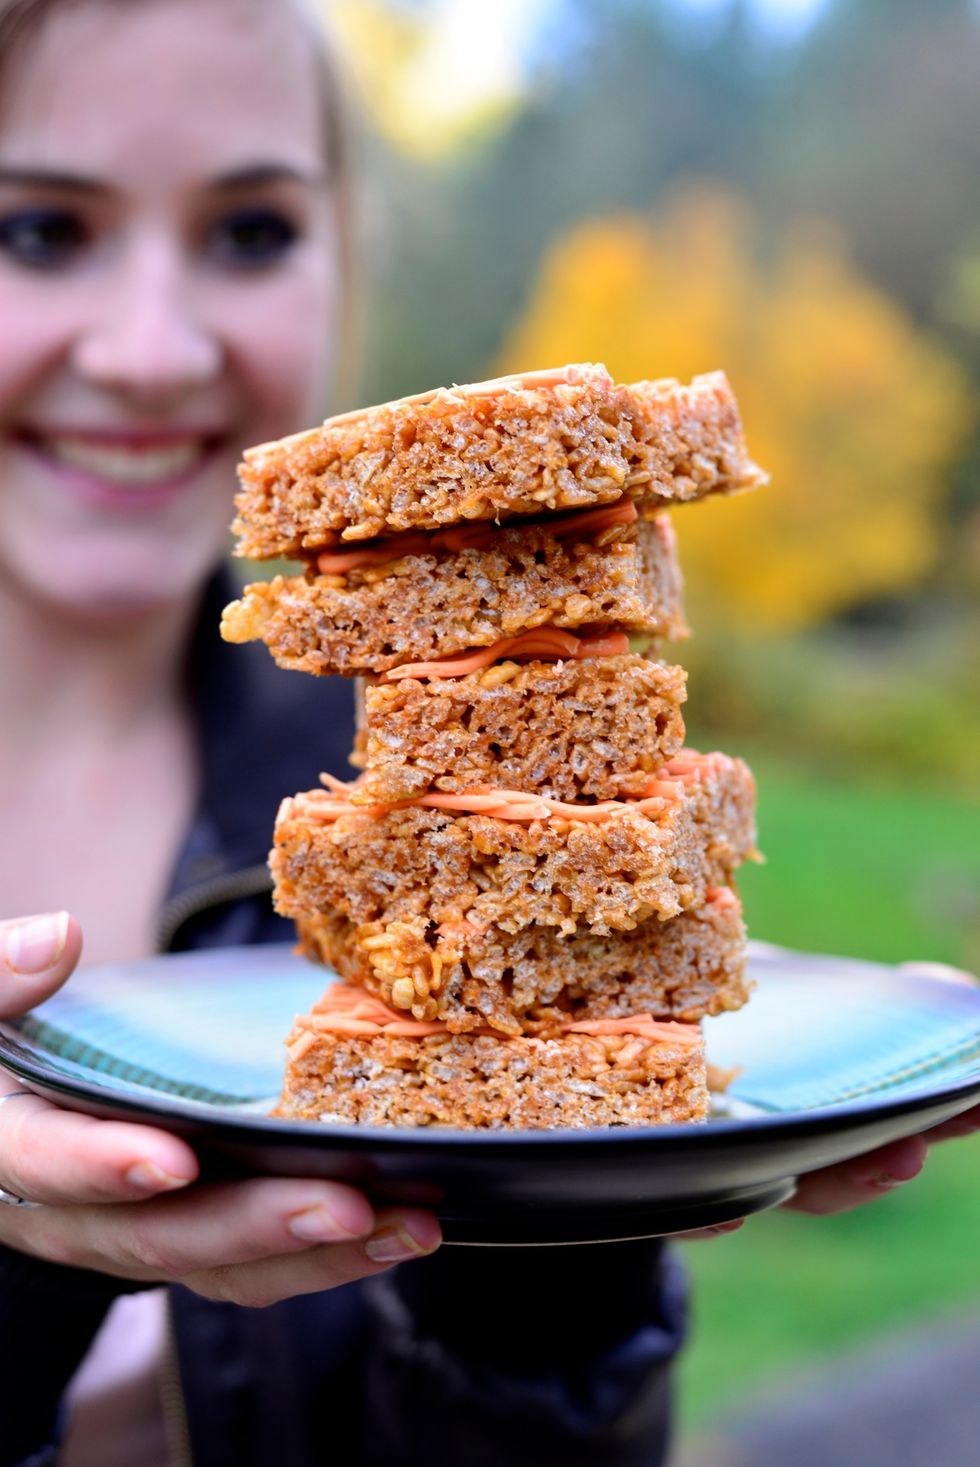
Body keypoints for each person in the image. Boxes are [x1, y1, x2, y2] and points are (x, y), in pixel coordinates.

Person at [0, 2, 976, 1463]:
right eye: (36, 228)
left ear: (349, 256)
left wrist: (558, 1252)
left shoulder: (367, 791)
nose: (150, 351)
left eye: (254, 229)